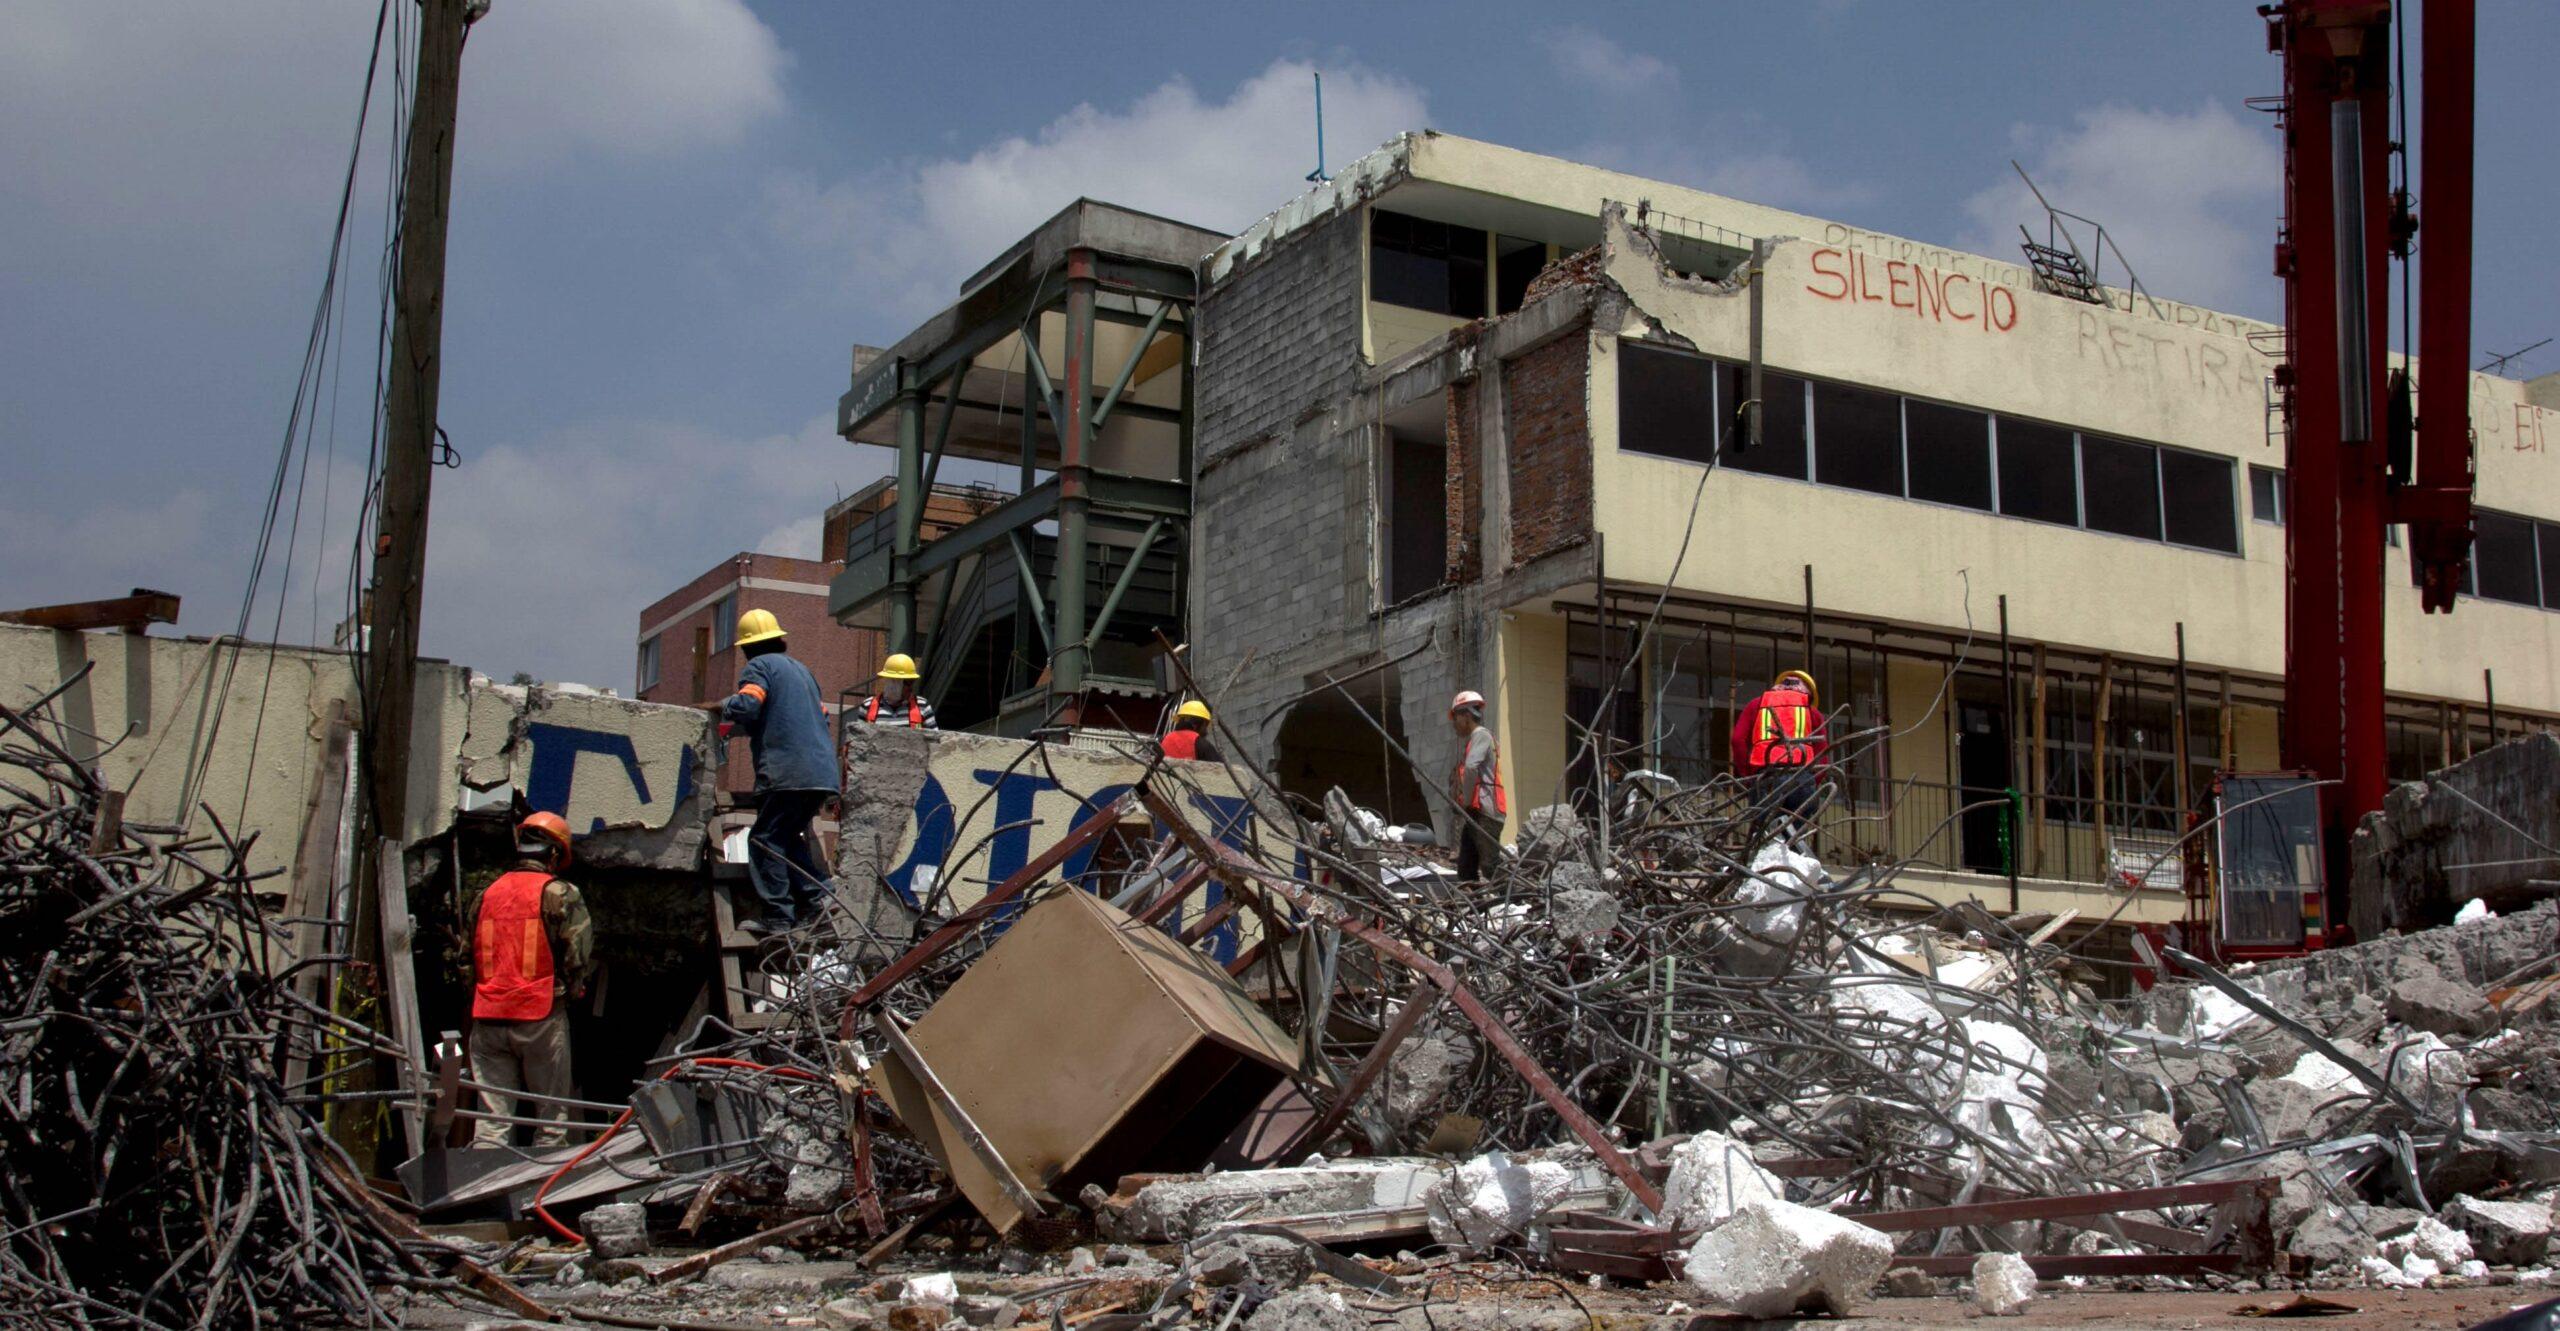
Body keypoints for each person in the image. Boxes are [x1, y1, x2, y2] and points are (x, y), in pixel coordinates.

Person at [464, 810, 593, 1148]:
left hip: (488, 1016)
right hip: (539, 1014)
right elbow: (577, 955)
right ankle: (542, 1191)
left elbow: (467, 955)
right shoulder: (559, 894)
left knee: (492, 1126)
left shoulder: (486, 893)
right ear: (553, 854)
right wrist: (574, 989)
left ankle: (484, 1190)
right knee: (551, 1124)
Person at [721, 608, 841, 934]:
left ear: (748, 647)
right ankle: (819, 899)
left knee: (764, 841)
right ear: (779, 638)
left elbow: (748, 705)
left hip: (788, 773)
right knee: (787, 839)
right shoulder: (803, 673)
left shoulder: (758, 667)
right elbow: (819, 719)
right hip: (820, 773)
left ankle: (778, 917)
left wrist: (723, 707)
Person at [1730, 668, 1830, 821]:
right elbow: (1822, 754)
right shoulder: (1812, 712)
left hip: (1765, 777)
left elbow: (1737, 740)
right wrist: (1812, 780)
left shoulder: (1756, 705)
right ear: (1808, 693)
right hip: (1800, 778)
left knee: (1764, 836)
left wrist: (1748, 775)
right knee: (1793, 838)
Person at [1446, 690, 1507, 883]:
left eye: (1455, 718)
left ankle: (1510, 898)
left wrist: (1465, 800)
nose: (1454, 724)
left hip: (1485, 812)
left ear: (1466, 715)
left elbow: (1472, 768)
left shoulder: (1481, 736)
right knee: (1466, 865)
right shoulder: (1475, 740)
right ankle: (1471, 904)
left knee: (1490, 865)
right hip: (1477, 811)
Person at [859, 653, 939, 729]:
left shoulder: (922, 706)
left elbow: (936, 739)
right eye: (909, 683)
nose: (911, 688)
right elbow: (857, 739)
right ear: (894, 683)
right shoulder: (867, 706)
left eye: (913, 682)